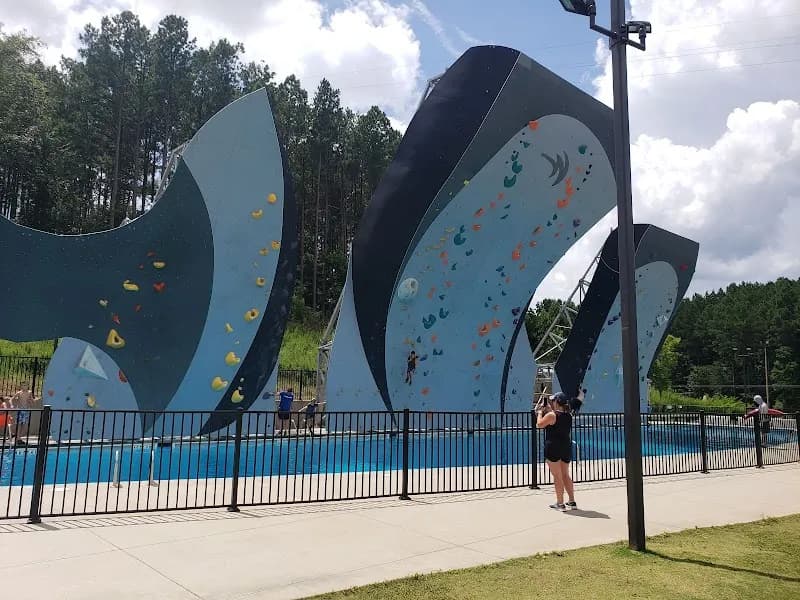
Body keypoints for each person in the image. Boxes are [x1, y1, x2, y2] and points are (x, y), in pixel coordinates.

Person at [536, 392, 576, 511]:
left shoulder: (552, 416)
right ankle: (572, 500)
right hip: (565, 446)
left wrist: (539, 413)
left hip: (553, 447)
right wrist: (548, 411)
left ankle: (560, 503)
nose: (552, 402)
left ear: (557, 402)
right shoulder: (568, 415)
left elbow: (539, 424)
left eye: (553, 401)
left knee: (557, 476)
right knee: (565, 474)